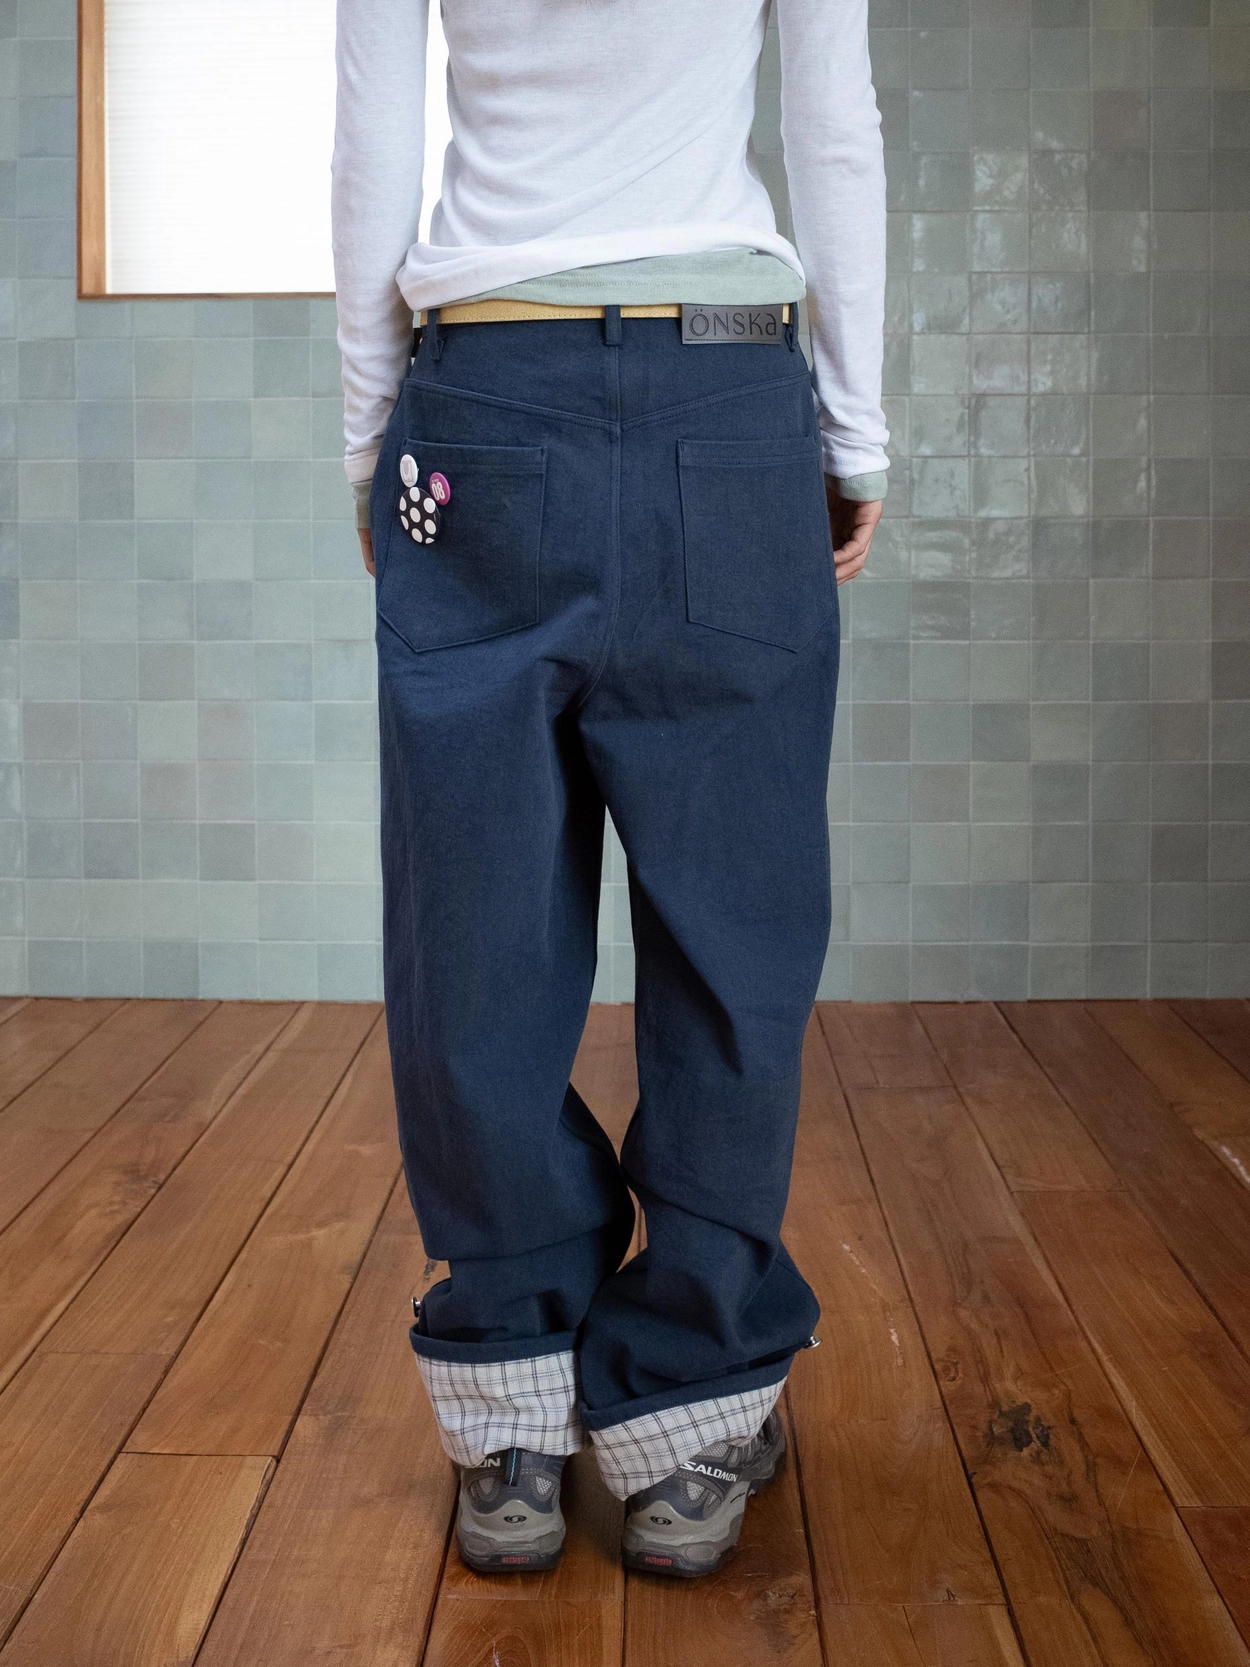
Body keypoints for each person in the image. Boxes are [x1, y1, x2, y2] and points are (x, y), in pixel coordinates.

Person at [330, 0, 887, 1579]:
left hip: (483, 399)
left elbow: (373, 138)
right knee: (733, 934)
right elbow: (832, 129)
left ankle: (510, 1396)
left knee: (475, 924)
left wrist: (371, 437)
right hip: (729, 400)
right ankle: (694, 1411)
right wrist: (854, 429)